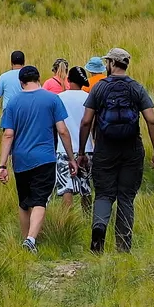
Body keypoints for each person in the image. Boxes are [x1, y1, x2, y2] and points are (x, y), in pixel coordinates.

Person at [78, 47, 154, 254]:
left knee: (104, 194)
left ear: (111, 64)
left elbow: (86, 121)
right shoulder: (136, 88)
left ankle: (98, 234)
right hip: (132, 149)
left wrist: (81, 153)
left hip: (105, 149)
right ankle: (123, 247)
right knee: (125, 197)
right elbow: (151, 119)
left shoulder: (99, 88)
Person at [0, 65, 77, 255]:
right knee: (40, 199)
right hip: (45, 158)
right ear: (38, 78)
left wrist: (2, 165)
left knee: (25, 202)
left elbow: (8, 135)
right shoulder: (52, 99)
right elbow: (63, 130)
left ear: (21, 82)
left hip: (21, 159)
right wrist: (71, 158)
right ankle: (31, 240)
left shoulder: (13, 103)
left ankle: (27, 241)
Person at [55, 66, 93, 210]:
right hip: (86, 148)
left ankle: (68, 219)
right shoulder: (89, 97)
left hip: (64, 148)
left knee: (66, 187)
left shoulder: (59, 98)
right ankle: (88, 215)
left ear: (68, 80)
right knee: (86, 185)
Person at [0, 50, 26, 131]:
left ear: (11, 62)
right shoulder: (29, 76)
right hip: (27, 113)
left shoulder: (4, 77)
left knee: (9, 138)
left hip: (9, 114)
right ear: (24, 62)